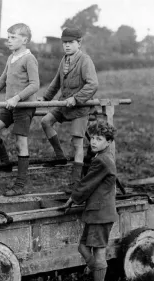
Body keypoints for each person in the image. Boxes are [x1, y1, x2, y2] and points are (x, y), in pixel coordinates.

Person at [59, 120, 118, 281]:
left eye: (99, 139)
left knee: (98, 252)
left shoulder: (101, 160)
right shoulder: (102, 157)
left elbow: (86, 184)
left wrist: (72, 199)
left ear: (108, 142)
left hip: (100, 214)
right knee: (83, 247)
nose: (93, 142)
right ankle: (98, 278)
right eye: (92, 137)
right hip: (97, 213)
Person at [40, 27, 98, 193]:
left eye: (70, 42)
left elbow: (93, 84)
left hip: (79, 108)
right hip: (64, 104)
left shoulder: (85, 60)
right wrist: (45, 99)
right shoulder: (64, 60)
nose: (66, 46)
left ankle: (75, 182)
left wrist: (76, 98)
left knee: (77, 144)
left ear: (79, 43)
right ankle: (59, 156)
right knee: (45, 121)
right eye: (64, 42)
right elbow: (56, 82)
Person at [0, 23, 40, 196]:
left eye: (13, 37)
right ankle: (5, 163)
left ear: (24, 40)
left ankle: (20, 184)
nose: (8, 41)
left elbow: (35, 85)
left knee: (20, 144)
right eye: (8, 37)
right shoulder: (11, 57)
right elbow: (2, 80)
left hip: (24, 106)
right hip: (9, 105)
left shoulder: (29, 58)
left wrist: (17, 98)